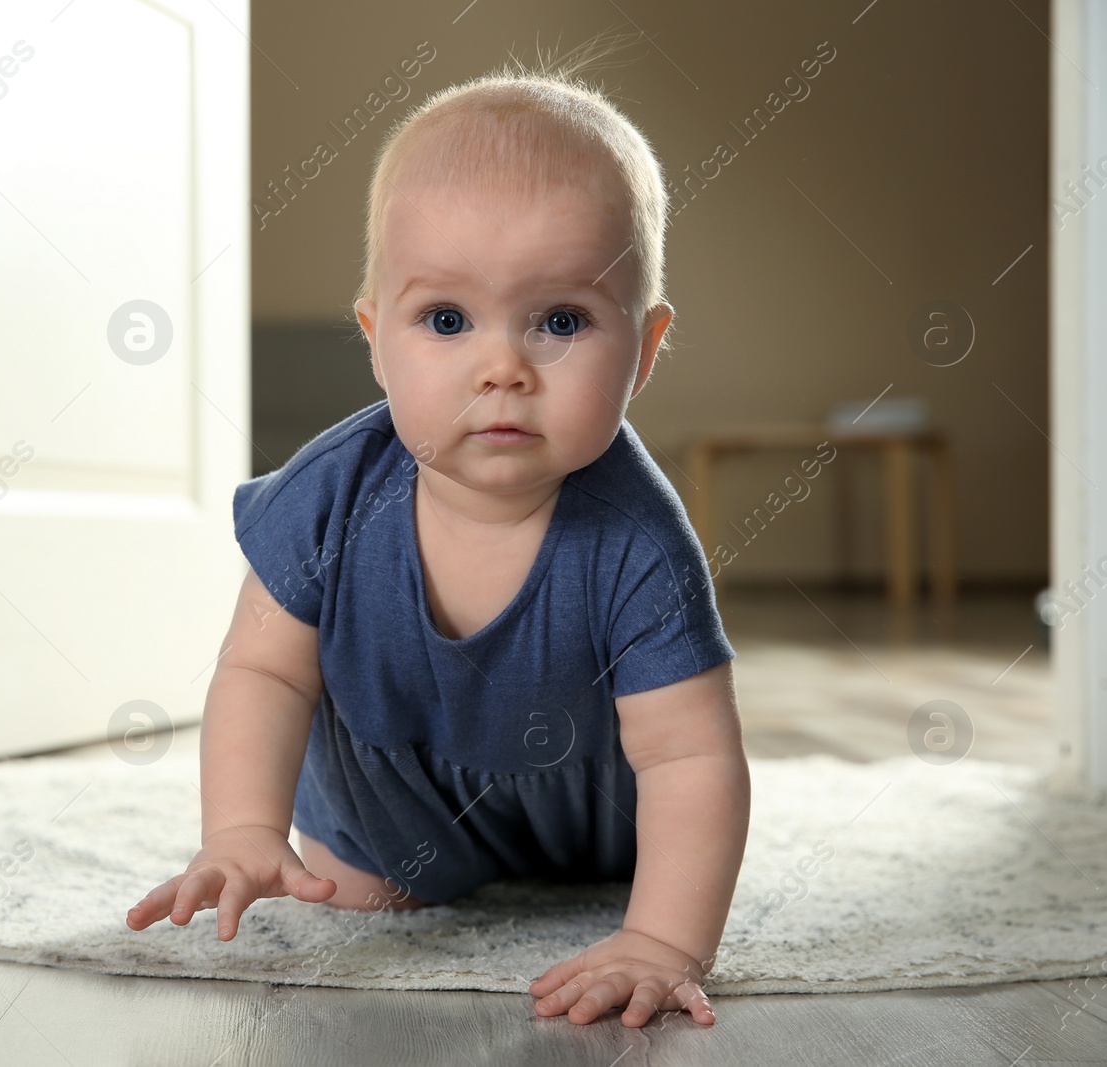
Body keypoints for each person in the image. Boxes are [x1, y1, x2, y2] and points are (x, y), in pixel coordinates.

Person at [128, 42, 750, 1029]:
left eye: (559, 319)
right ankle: (357, 860)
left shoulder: (638, 540)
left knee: (628, 890)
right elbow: (262, 674)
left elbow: (690, 758)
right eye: (448, 318)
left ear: (644, 350)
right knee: (356, 902)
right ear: (375, 337)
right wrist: (243, 828)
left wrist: (662, 940)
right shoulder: (331, 494)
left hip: (592, 828)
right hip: (387, 819)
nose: (502, 365)